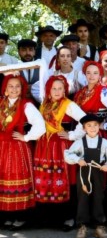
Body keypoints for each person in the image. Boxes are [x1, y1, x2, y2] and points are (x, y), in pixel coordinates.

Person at [33, 76, 86, 229]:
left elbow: (84, 120)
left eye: (60, 88)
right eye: (54, 88)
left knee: (64, 179)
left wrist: (71, 135)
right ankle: (50, 217)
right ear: (48, 90)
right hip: (44, 146)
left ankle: (68, 217)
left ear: (65, 90)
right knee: (46, 179)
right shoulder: (44, 104)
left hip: (61, 146)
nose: (57, 91)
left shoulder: (69, 105)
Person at [0, 75, 45, 229]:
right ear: (5, 90)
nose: (14, 89)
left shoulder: (26, 105)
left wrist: (26, 137)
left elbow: (40, 125)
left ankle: (20, 217)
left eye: (17, 86)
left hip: (17, 148)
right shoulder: (0, 104)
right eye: (10, 86)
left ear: (22, 89)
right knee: (3, 181)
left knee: (17, 179)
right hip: (2, 148)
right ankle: (6, 216)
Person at [64, 114, 107, 238]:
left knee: (98, 197)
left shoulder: (104, 142)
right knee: (83, 198)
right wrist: (78, 159)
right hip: (84, 173)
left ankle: (99, 225)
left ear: (99, 126)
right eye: (89, 125)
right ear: (84, 128)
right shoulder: (80, 142)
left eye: (95, 125)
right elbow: (67, 154)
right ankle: (82, 226)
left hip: (98, 172)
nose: (92, 128)